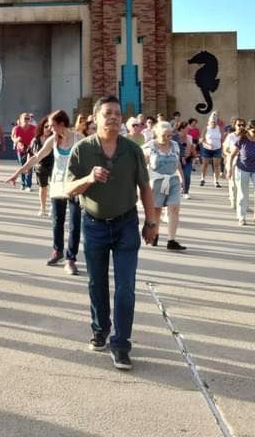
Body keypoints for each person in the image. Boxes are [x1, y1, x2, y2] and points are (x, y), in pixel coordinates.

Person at [66, 96, 156, 370]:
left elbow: (145, 188)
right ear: (95, 118)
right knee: (96, 283)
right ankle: (100, 328)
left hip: (126, 225)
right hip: (93, 225)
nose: (114, 117)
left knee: (126, 288)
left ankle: (121, 344)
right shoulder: (82, 150)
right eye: (108, 113)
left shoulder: (132, 150)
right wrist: (89, 178)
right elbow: (68, 189)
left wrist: (151, 223)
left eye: (118, 113)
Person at [9, 110, 82, 275]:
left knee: (74, 224)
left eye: (52, 125)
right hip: (57, 186)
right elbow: (36, 158)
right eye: (48, 125)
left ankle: (71, 259)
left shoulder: (78, 139)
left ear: (62, 124)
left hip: (75, 186)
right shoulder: (52, 140)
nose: (49, 128)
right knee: (57, 222)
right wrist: (18, 173)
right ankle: (58, 252)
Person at [143, 121, 186, 251]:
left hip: (173, 180)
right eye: (164, 135)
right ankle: (154, 234)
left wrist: (182, 178)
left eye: (169, 135)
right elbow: (143, 167)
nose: (168, 138)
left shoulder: (175, 145)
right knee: (157, 210)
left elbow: (177, 162)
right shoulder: (149, 147)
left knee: (174, 208)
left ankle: (171, 240)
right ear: (156, 133)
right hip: (156, 181)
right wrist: (142, 185)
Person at [227, 120, 255, 226]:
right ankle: (241, 216)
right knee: (243, 194)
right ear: (248, 130)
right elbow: (232, 155)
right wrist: (229, 169)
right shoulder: (242, 139)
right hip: (242, 168)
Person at [27, 117, 53, 216]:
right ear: (41, 127)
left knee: (54, 187)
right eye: (46, 127)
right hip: (40, 166)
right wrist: (28, 167)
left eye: (50, 127)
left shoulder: (55, 139)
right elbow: (30, 152)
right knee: (43, 188)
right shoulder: (36, 140)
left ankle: (53, 206)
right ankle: (42, 208)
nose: (48, 129)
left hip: (53, 165)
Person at [222, 118, 246, 208]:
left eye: (243, 125)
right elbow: (225, 149)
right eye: (239, 125)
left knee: (243, 182)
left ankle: (243, 203)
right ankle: (233, 200)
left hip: (244, 161)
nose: (241, 127)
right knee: (232, 182)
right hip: (232, 160)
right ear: (234, 126)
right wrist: (232, 153)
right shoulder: (231, 136)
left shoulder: (246, 136)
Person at [11, 112, 36, 192]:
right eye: (25, 118)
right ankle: (22, 184)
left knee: (29, 166)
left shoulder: (33, 128)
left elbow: (37, 138)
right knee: (22, 165)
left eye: (28, 118)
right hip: (21, 149)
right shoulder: (17, 128)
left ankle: (28, 185)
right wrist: (17, 140)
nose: (27, 120)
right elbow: (13, 138)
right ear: (20, 119)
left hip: (30, 148)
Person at [199, 114, 223, 187]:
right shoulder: (206, 129)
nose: (213, 123)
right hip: (207, 148)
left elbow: (223, 138)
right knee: (205, 164)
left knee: (216, 165)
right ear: (208, 122)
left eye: (214, 122)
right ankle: (202, 178)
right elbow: (201, 139)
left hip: (217, 148)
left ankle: (216, 181)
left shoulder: (219, 128)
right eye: (212, 122)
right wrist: (206, 143)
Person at [176, 121, 196, 200]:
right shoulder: (175, 137)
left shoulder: (189, 137)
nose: (188, 129)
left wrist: (194, 155)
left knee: (187, 175)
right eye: (187, 128)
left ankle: (186, 192)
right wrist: (181, 157)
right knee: (178, 176)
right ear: (181, 129)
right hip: (177, 160)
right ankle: (178, 189)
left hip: (188, 159)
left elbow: (191, 147)